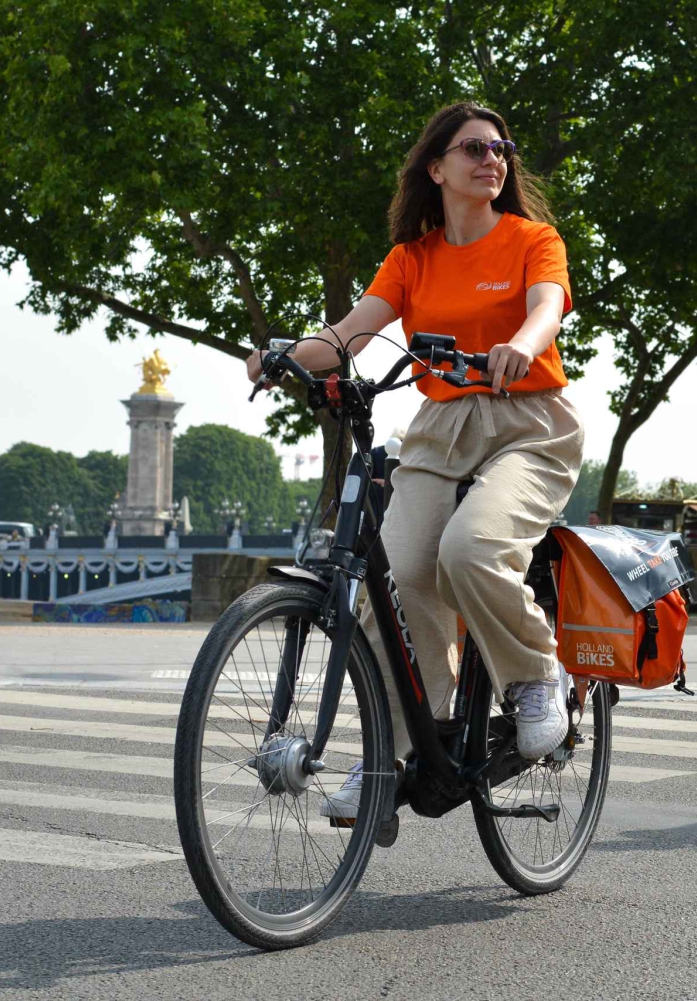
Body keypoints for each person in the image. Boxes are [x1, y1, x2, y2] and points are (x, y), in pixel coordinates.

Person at [246, 103, 582, 820]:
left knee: (472, 550)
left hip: (530, 423)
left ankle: (535, 675)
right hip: (440, 429)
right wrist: (280, 356)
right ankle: (394, 755)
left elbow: (548, 305)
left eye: (502, 148)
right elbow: (350, 332)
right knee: (393, 584)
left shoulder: (532, 239)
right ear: (436, 168)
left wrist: (523, 339)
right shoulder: (413, 259)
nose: (493, 158)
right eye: (474, 149)